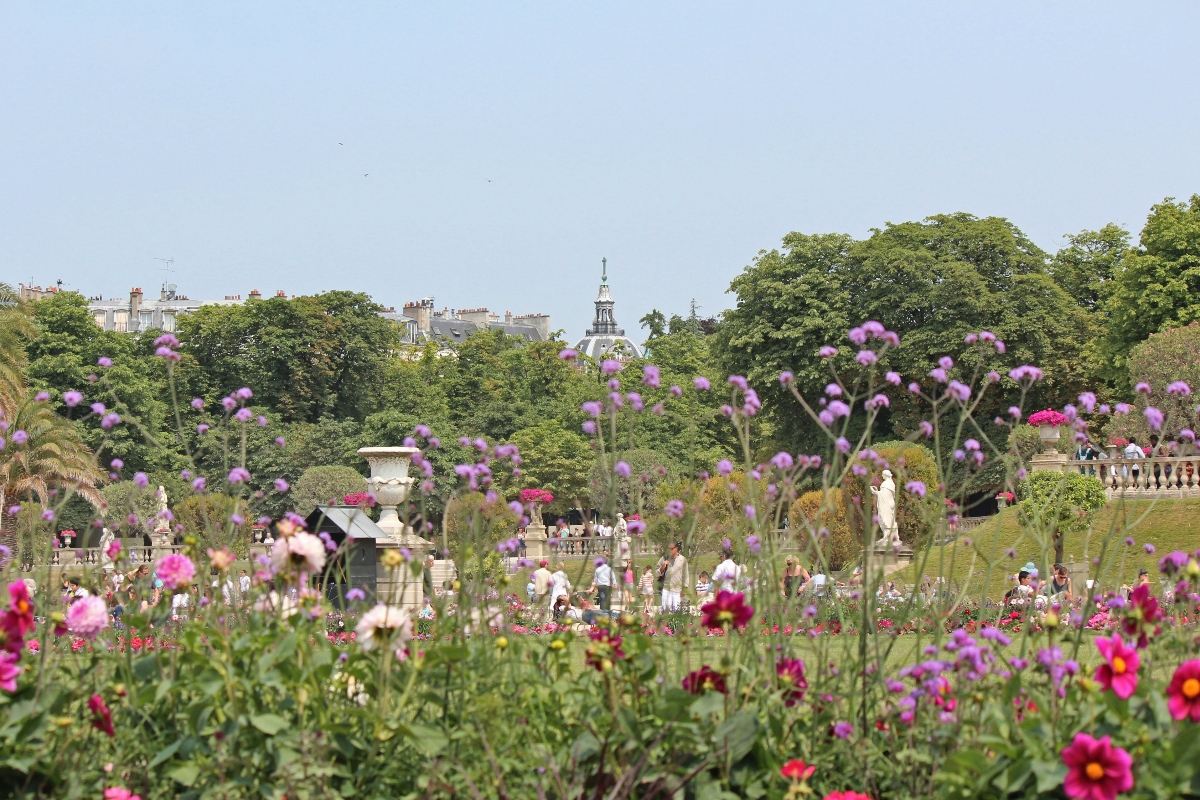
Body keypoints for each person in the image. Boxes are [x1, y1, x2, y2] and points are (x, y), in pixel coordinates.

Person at [661, 542, 689, 613]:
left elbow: (686, 575)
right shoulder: (664, 558)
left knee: (676, 610)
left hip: (677, 589)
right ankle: (664, 623)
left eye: (671, 549)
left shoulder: (683, 560)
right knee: (665, 610)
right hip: (666, 588)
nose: (669, 550)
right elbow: (657, 572)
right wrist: (664, 566)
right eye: (668, 549)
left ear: (676, 549)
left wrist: (684, 588)